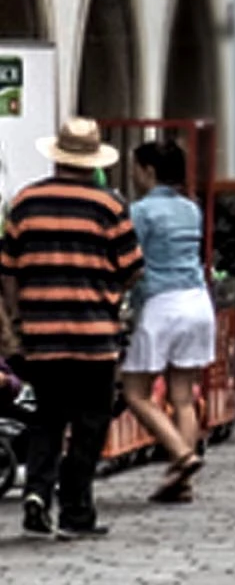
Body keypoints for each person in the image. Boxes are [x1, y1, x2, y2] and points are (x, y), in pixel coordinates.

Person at [0, 118, 141, 540]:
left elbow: (6, 270)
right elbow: (133, 268)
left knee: (47, 417)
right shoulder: (109, 206)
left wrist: (17, 318)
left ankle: (38, 494)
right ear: (93, 160)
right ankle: (76, 508)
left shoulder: (24, 203)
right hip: (94, 337)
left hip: (42, 336)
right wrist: (107, 291)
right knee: (91, 421)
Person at [122, 136, 220, 504]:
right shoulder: (190, 208)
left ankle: (181, 454)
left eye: (135, 167)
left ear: (148, 171)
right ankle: (182, 482)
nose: (133, 175)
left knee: (136, 393)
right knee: (182, 395)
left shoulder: (141, 211)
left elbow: (132, 262)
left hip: (161, 303)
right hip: (197, 300)